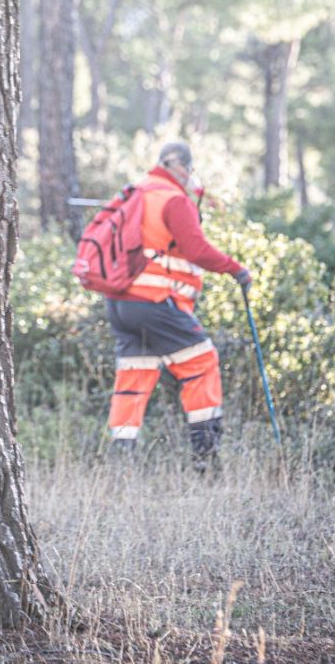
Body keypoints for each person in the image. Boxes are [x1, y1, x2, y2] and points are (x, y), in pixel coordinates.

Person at [103, 141, 252, 468]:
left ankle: (120, 463)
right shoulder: (174, 199)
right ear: (183, 168)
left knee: (134, 377)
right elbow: (197, 250)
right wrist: (236, 269)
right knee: (202, 363)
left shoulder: (134, 192)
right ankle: (206, 458)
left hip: (118, 305)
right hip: (154, 304)